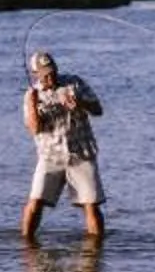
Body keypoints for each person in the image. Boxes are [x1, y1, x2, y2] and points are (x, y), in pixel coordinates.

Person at [20, 49, 106, 241]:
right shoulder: (31, 95)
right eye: (45, 74)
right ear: (36, 74)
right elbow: (34, 129)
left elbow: (98, 110)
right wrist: (33, 105)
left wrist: (80, 103)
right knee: (34, 203)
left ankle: (97, 251)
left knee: (91, 205)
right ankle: (26, 246)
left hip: (81, 152)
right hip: (50, 155)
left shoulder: (74, 83)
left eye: (52, 71)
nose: (51, 76)